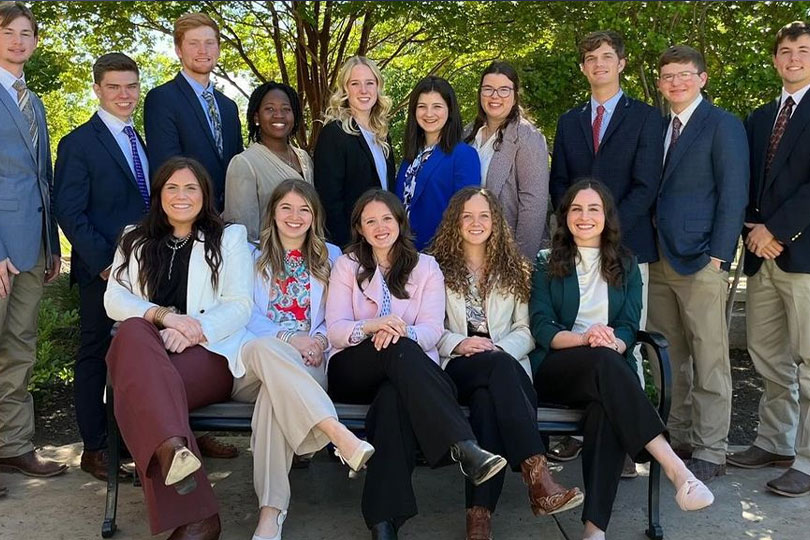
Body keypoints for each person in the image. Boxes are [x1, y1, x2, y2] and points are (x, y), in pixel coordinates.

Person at [530, 179, 714, 540]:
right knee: (601, 363)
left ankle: (594, 531)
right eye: (577, 209)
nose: (584, 217)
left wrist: (612, 342)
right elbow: (541, 325)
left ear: (606, 216)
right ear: (565, 216)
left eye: (593, 209)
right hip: (559, 369)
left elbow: (630, 326)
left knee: (606, 409)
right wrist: (586, 338)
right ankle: (676, 469)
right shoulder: (545, 262)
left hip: (609, 369)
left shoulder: (627, 264)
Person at [326, 189, 506, 539]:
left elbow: (431, 331)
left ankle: (384, 523)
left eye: (386, 219)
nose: (380, 227)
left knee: (394, 398)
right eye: (370, 221)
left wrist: (398, 330)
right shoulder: (347, 265)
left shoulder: (426, 267)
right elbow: (335, 331)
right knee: (398, 348)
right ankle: (463, 445)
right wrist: (374, 326)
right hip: (353, 367)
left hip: (404, 375)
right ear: (359, 229)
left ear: (399, 222)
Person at [104, 157, 251, 539]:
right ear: (158, 195)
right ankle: (175, 455)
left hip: (207, 355)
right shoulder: (133, 237)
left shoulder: (229, 237)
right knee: (133, 331)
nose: (181, 196)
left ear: (205, 194)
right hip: (149, 350)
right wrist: (165, 318)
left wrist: (194, 330)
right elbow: (113, 299)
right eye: (172, 187)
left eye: (191, 188)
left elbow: (240, 305)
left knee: (137, 396)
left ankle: (191, 498)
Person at [432, 187, 583, 540]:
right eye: (467, 215)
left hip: (502, 366)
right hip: (457, 365)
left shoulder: (515, 269)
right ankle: (539, 480)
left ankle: (478, 519)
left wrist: (496, 348)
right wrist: (461, 343)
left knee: (488, 401)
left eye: (484, 215)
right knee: (494, 373)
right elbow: (428, 328)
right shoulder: (435, 268)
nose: (476, 222)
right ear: (455, 222)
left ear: (496, 222)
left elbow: (526, 330)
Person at [235, 178, 374, 540]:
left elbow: (339, 315)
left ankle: (270, 514)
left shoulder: (333, 257)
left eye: (304, 209)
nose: (294, 217)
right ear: (273, 213)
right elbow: (243, 313)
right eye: (286, 208)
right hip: (255, 357)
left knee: (273, 397)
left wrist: (318, 339)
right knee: (269, 353)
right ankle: (337, 433)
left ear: (315, 216)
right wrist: (289, 337)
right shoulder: (250, 256)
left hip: (310, 362)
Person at [548, 30, 663, 463]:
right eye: (591, 58)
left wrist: (605, 231)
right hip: (574, 252)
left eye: (607, 57)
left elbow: (645, 185)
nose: (599, 64)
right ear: (582, 67)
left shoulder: (647, 118)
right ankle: (581, 434)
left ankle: (626, 443)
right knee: (578, 337)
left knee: (621, 342)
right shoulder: (569, 120)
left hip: (625, 250)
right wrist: (576, 230)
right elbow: (561, 181)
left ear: (622, 64)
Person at [647, 45, 749, 482]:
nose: (675, 82)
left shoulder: (722, 125)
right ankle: (680, 435)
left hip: (702, 259)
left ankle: (712, 448)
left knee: (709, 357)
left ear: (702, 78)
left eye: (684, 75)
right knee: (669, 357)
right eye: (668, 75)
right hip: (656, 258)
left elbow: (733, 194)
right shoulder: (658, 127)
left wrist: (719, 257)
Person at [53, 52, 151, 481]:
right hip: (103, 272)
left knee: (134, 352)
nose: (124, 94)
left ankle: (129, 441)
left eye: (131, 86)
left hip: (144, 269)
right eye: (114, 86)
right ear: (97, 89)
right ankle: (94, 448)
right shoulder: (78, 142)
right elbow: (70, 212)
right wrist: (106, 266)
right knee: (95, 354)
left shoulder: (139, 138)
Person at [728, 21, 810, 497]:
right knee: (767, 354)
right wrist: (754, 233)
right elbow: (743, 185)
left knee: (808, 360)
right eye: (785, 51)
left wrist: (776, 230)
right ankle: (775, 441)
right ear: (775, 59)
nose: (793, 58)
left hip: (802, 256)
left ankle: (806, 458)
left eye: (802, 50)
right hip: (761, 256)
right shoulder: (759, 119)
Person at [0, 0, 66, 483]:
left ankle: (12, 446)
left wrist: (52, 245)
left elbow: (41, 178)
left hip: (34, 246)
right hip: (1, 248)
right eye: (8, 32)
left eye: (26, 33)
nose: (18, 41)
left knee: (19, 348)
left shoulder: (33, 100)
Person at [144, 12, 243, 212]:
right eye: (193, 43)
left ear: (218, 49)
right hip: (187, 216)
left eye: (209, 43)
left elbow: (236, 164)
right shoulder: (162, 99)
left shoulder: (228, 106)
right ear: (179, 50)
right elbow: (168, 167)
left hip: (231, 218)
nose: (202, 50)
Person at [464, 61, 549, 259]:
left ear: (515, 94)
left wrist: (519, 262)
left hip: (509, 252)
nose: (495, 96)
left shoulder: (527, 136)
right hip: (471, 251)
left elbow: (533, 205)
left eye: (504, 90)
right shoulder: (467, 134)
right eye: (488, 89)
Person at [314, 56, 396, 247]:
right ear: (345, 89)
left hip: (383, 239)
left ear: (377, 87)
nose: (363, 90)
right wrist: (348, 247)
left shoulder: (382, 134)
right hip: (352, 244)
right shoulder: (334, 133)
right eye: (355, 84)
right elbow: (329, 200)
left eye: (369, 83)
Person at [395, 76, 480, 251]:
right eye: (422, 107)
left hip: (440, 255)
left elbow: (466, 213)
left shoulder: (464, 155)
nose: (429, 113)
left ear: (450, 110)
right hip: (402, 254)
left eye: (437, 106)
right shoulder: (410, 157)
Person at [224, 82, 313, 243]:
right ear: (256, 117)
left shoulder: (304, 158)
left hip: (306, 258)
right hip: (264, 261)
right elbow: (242, 232)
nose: (279, 115)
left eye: (286, 109)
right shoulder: (244, 163)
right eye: (269, 109)